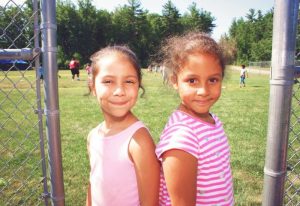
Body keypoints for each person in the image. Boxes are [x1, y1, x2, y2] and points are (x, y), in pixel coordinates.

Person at [155, 32, 234, 205]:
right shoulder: (182, 138)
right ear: (175, 81)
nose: (204, 91)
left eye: (212, 80)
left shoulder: (213, 120)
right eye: (192, 81)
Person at [86, 45, 160, 206]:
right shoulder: (93, 136)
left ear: (138, 85)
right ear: (92, 87)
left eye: (129, 81)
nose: (119, 90)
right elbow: (93, 184)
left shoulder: (139, 141)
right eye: (108, 81)